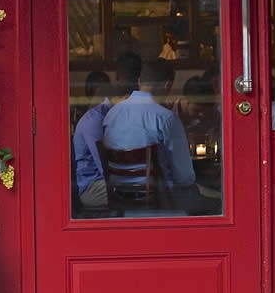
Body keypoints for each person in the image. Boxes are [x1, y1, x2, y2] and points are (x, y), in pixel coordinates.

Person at [102, 56, 197, 204]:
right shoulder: (166, 119)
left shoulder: (112, 114)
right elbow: (184, 177)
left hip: (119, 197)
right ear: (167, 85)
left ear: (139, 81)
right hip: (159, 201)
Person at [73, 54, 140, 210]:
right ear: (123, 97)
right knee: (146, 190)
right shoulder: (95, 121)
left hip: (114, 177)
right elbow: (105, 167)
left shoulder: (116, 114)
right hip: (94, 186)